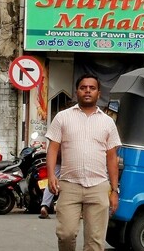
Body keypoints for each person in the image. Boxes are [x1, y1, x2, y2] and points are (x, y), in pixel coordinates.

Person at [46, 74, 122, 251]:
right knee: (66, 234)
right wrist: (51, 175)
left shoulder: (108, 122)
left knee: (95, 242)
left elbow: (112, 158)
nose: (87, 91)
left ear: (98, 93)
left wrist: (114, 190)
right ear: (77, 91)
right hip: (69, 184)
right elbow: (52, 148)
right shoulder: (62, 117)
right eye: (83, 87)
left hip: (98, 186)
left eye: (92, 88)